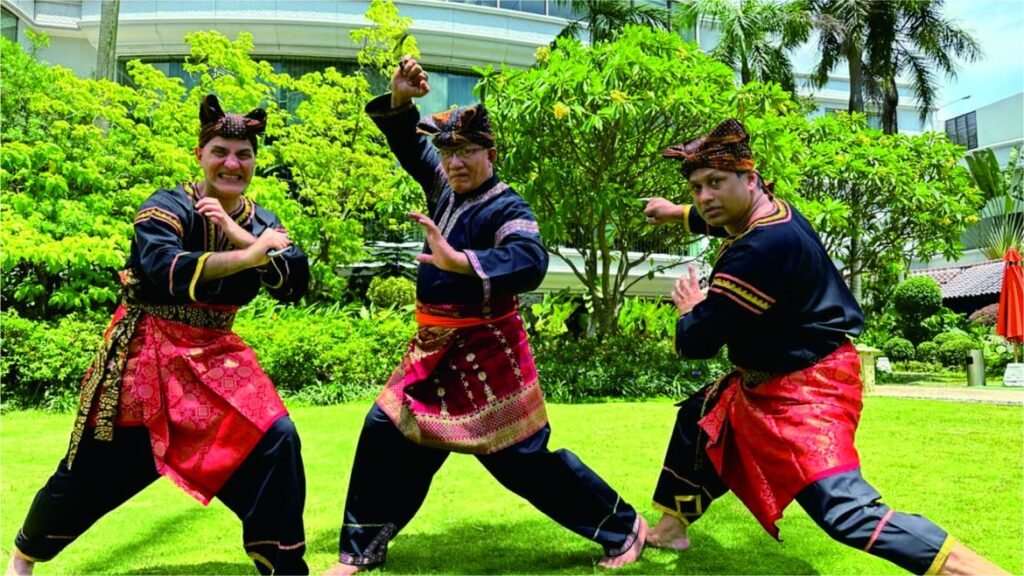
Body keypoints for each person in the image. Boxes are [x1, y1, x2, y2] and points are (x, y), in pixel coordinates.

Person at [640, 118, 1007, 575]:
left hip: (806, 391)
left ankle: (981, 572)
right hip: (778, 375)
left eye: (714, 183)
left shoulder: (760, 249)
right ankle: (671, 529)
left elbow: (697, 342)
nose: (704, 197)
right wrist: (674, 212)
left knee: (845, 513)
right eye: (696, 188)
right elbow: (717, 217)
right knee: (698, 420)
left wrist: (689, 307)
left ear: (750, 179)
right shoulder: (772, 213)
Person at [324, 57, 646, 575]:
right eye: (448, 151)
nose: (454, 161)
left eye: (467, 151)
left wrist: (461, 262)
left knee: (522, 463)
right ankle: (360, 551)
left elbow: (529, 259)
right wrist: (402, 100)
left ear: (490, 154)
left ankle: (623, 525)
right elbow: (410, 146)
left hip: (486, 353)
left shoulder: (508, 207)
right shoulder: (444, 190)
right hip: (431, 355)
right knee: (385, 431)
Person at [7, 95, 311, 576]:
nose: (232, 163)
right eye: (220, 152)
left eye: (243, 154)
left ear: (254, 160)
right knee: (92, 470)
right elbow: (163, 268)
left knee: (276, 438)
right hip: (147, 351)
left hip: (216, 355)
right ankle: (23, 556)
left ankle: (284, 568)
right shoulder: (166, 205)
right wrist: (252, 255)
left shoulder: (260, 220)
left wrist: (238, 234)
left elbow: (295, 280)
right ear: (200, 154)